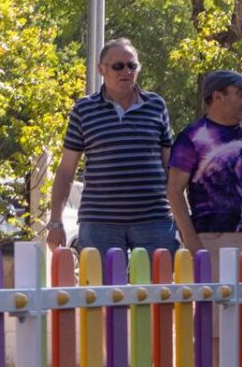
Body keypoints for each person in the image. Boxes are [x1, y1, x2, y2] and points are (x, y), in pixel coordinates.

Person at [48, 37, 177, 255]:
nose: (125, 71)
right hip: (100, 223)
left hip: (154, 220)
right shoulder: (84, 109)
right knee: (102, 289)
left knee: (157, 288)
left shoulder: (156, 105)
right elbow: (66, 170)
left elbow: (171, 166)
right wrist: (55, 222)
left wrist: (183, 219)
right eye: (117, 66)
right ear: (101, 69)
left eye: (131, 65)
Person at [168, 69, 242, 258]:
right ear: (218, 96)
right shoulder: (191, 137)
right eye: (240, 94)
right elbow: (174, 190)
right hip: (214, 237)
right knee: (223, 290)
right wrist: (190, 238)